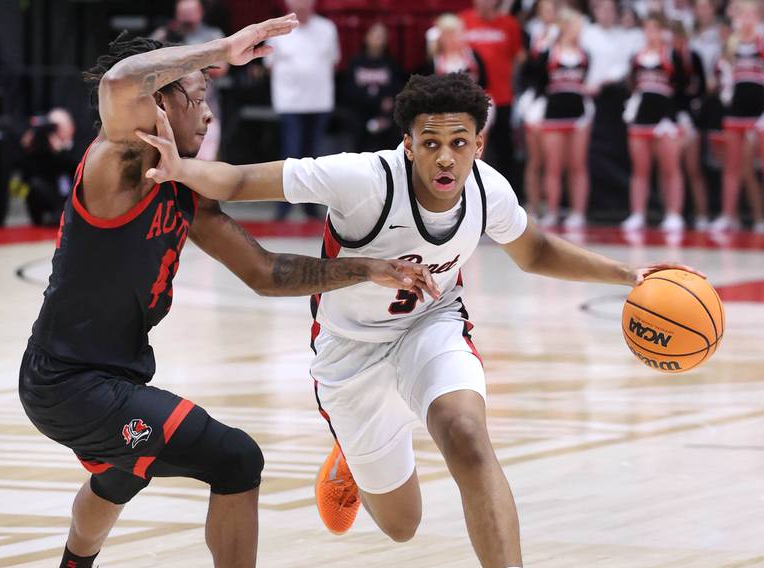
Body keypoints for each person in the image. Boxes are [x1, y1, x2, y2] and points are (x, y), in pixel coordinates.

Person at [138, 71, 699, 568]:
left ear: (479, 143)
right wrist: (181, 169)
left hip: (430, 326)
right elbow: (238, 183)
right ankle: (351, 458)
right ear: (408, 145)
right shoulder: (361, 180)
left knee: (467, 434)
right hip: (350, 354)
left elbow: (536, 252)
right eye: (430, 143)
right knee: (402, 526)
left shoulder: (488, 189)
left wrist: (628, 276)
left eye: (460, 143)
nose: (446, 157)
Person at [18, 17, 439, 568]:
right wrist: (221, 49)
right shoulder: (114, 162)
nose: (210, 112)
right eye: (197, 97)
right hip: (69, 383)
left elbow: (267, 272)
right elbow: (119, 83)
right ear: (160, 105)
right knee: (237, 459)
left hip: (111, 377)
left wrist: (364, 269)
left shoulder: (187, 193)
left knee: (120, 478)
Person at [265, 0, 339, 221]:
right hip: (290, 102)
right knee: (290, 153)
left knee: (313, 156)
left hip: (319, 100)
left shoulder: (327, 27)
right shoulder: (278, 28)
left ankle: (311, 206)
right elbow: (269, 64)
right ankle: (283, 206)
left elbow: (334, 60)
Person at [621, 13, 687, 232]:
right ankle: (637, 213)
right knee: (640, 170)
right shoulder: (636, 56)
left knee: (670, 168)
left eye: (655, 29)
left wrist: (677, 116)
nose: (651, 34)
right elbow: (631, 85)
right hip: (641, 119)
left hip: (666, 120)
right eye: (647, 30)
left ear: (663, 32)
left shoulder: (672, 55)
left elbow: (683, 87)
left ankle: (674, 214)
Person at [536, 8, 592, 229]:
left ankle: (578, 213)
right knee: (553, 165)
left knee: (578, 165)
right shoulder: (550, 51)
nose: (579, 31)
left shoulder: (584, 53)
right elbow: (537, 75)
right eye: (576, 26)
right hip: (553, 113)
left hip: (578, 113)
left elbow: (588, 79)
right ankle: (552, 211)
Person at [152, 0, 228, 161]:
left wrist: (187, 63)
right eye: (183, 13)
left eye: (190, 13)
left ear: (200, 13)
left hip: (205, 104)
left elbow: (222, 67)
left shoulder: (212, 35)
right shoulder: (164, 34)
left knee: (205, 160)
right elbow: (144, 63)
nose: (186, 18)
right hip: (170, 110)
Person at [711, 0, 764, 232]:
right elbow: (720, 81)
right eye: (742, 15)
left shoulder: (762, 43)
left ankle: (759, 217)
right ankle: (728, 215)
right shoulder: (730, 45)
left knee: (756, 167)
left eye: (751, 15)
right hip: (735, 113)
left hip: (758, 115)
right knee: (733, 166)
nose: (746, 19)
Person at [459, 0, 523, 183]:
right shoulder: (464, 20)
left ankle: (508, 193)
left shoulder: (508, 24)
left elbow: (519, 57)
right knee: (472, 147)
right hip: (471, 99)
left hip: (502, 95)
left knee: (504, 147)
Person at [518, 0, 559, 220]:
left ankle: (552, 207)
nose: (547, 14)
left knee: (552, 160)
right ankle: (533, 205)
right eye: (544, 10)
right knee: (535, 159)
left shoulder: (561, 35)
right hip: (534, 101)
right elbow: (527, 68)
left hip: (554, 102)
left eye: (551, 10)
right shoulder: (531, 33)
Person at [671, 20, 710, 230]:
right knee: (671, 168)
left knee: (693, 169)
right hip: (670, 121)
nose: (676, 41)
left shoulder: (693, 58)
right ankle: (673, 213)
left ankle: (702, 215)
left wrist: (690, 117)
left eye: (680, 37)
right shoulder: (667, 58)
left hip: (690, 120)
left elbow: (701, 89)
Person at [345, 22, 404, 152]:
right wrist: (373, 101)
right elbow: (348, 90)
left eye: (382, 36)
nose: (378, 39)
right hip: (359, 114)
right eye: (375, 35)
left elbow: (397, 89)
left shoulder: (390, 63)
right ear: (366, 37)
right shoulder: (356, 62)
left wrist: (388, 102)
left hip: (384, 115)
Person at [19, 108, 79, 226]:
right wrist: (28, 148)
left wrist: (61, 151)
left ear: (71, 127)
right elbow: (26, 176)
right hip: (54, 196)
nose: (55, 131)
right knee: (35, 185)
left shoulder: (81, 145)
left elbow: (77, 170)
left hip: (74, 199)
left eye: (58, 126)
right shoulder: (43, 151)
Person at [423, 13, 487, 88]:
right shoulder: (434, 62)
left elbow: (484, 83)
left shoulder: (472, 56)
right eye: (458, 33)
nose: (462, 36)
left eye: (462, 32)